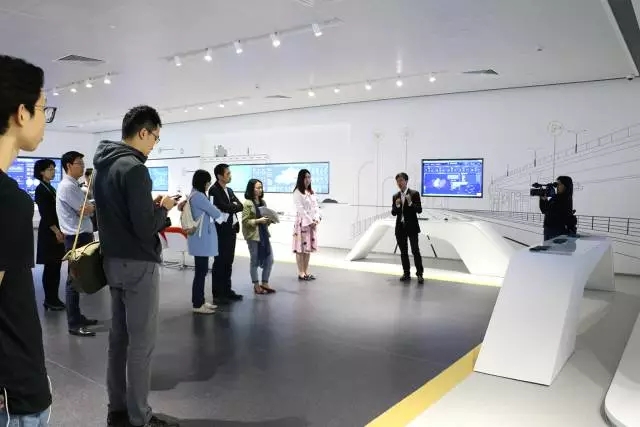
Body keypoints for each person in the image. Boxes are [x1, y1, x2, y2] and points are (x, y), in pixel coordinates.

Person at [93, 105, 179, 427]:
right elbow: (144, 228)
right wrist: (165, 209)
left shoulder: (103, 166)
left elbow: (119, 215)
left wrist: (148, 208)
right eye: (155, 137)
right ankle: (139, 417)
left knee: (118, 341)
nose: (154, 144)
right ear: (143, 132)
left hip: (112, 261)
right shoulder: (135, 169)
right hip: (139, 264)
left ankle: (116, 408)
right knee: (141, 344)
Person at [0, 54, 53, 427]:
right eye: (43, 109)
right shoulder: (8, 201)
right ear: (21, 113)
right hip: (13, 392)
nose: (44, 120)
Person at [56, 150, 98, 337]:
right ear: (68, 166)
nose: (82, 166)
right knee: (73, 281)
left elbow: (87, 207)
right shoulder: (67, 187)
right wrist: (92, 207)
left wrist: (90, 206)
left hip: (81, 236)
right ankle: (73, 323)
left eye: (82, 163)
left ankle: (77, 316)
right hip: (76, 238)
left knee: (78, 278)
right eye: (79, 163)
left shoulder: (73, 185)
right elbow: (84, 210)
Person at [184, 169, 227, 314]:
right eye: (208, 182)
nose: (209, 185)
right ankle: (197, 304)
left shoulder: (194, 194)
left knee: (201, 272)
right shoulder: (199, 197)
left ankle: (200, 301)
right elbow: (214, 212)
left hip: (199, 240)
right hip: (200, 240)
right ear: (203, 182)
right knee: (200, 272)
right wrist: (219, 213)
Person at [208, 163, 244, 305]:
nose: (230, 176)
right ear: (219, 176)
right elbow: (223, 207)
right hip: (221, 231)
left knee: (229, 261)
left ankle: (227, 290)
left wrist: (232, 207)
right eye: (227, 173)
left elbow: (240, 206)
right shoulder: (214, 190)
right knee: (220, 262)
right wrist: (232, 206)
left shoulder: (229, 190)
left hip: (231, 229)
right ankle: (217, 293)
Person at [34, 158, 66, 311]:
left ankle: (54, 298)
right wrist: (56, 231)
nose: (53, 172)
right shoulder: (41, 189)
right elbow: (46, 213)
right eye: (50, 169)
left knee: (55, 266)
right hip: (50, 232)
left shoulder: (50, 187)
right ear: (41, 172)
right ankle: (50, 299)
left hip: (55, 230)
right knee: (51, 267)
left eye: (54, 169)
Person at [242, 179, 276, 294]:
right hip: (253, 236)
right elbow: (245, 222)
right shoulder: (248, 203)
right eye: (257, 187)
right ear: (251, 189)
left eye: (261, 187)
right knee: (255, 261)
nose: (260, 190)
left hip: (264, 235)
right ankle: (256, 285)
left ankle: (265, 282)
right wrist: (258, 221)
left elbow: (265, 219)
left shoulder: (263, 202)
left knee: (270, 259)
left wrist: (269, 220)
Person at [391, 172, 424, 284]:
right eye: (397, 181)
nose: (399, 183)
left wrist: (410, 203)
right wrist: (397, 206)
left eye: (401, 180)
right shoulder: (395, 196)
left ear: (406, 181)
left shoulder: (414, 194)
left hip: (412, 227)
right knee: (403, 252)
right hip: (400, 228)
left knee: (415, 251)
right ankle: (406, 273)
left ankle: (419, 274)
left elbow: (419, 210)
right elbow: (393, 213)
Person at [292, 169, 321, 281]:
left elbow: (315, 207)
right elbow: (301, 210)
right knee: (300, 248)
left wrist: (316, 218)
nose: (308, 179)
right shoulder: (297, 192)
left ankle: (306, 271)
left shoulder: (311, 192)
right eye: (306, 177)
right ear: (301, 178)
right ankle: (301, 272)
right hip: (302, 223)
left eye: (309, 177)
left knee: (307, 248)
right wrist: (310, 221)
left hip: (311, 224)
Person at [539, 175, 576, 241]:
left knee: (553, 248)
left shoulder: (565, 198)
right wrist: (543, 200)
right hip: (549, 231)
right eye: (557, 184)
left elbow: (553, 212)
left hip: (557, 232)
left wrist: (551, 195)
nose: (557, 186)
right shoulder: (556, 198)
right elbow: (544, 210)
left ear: (566, 186)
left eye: (559, 184)